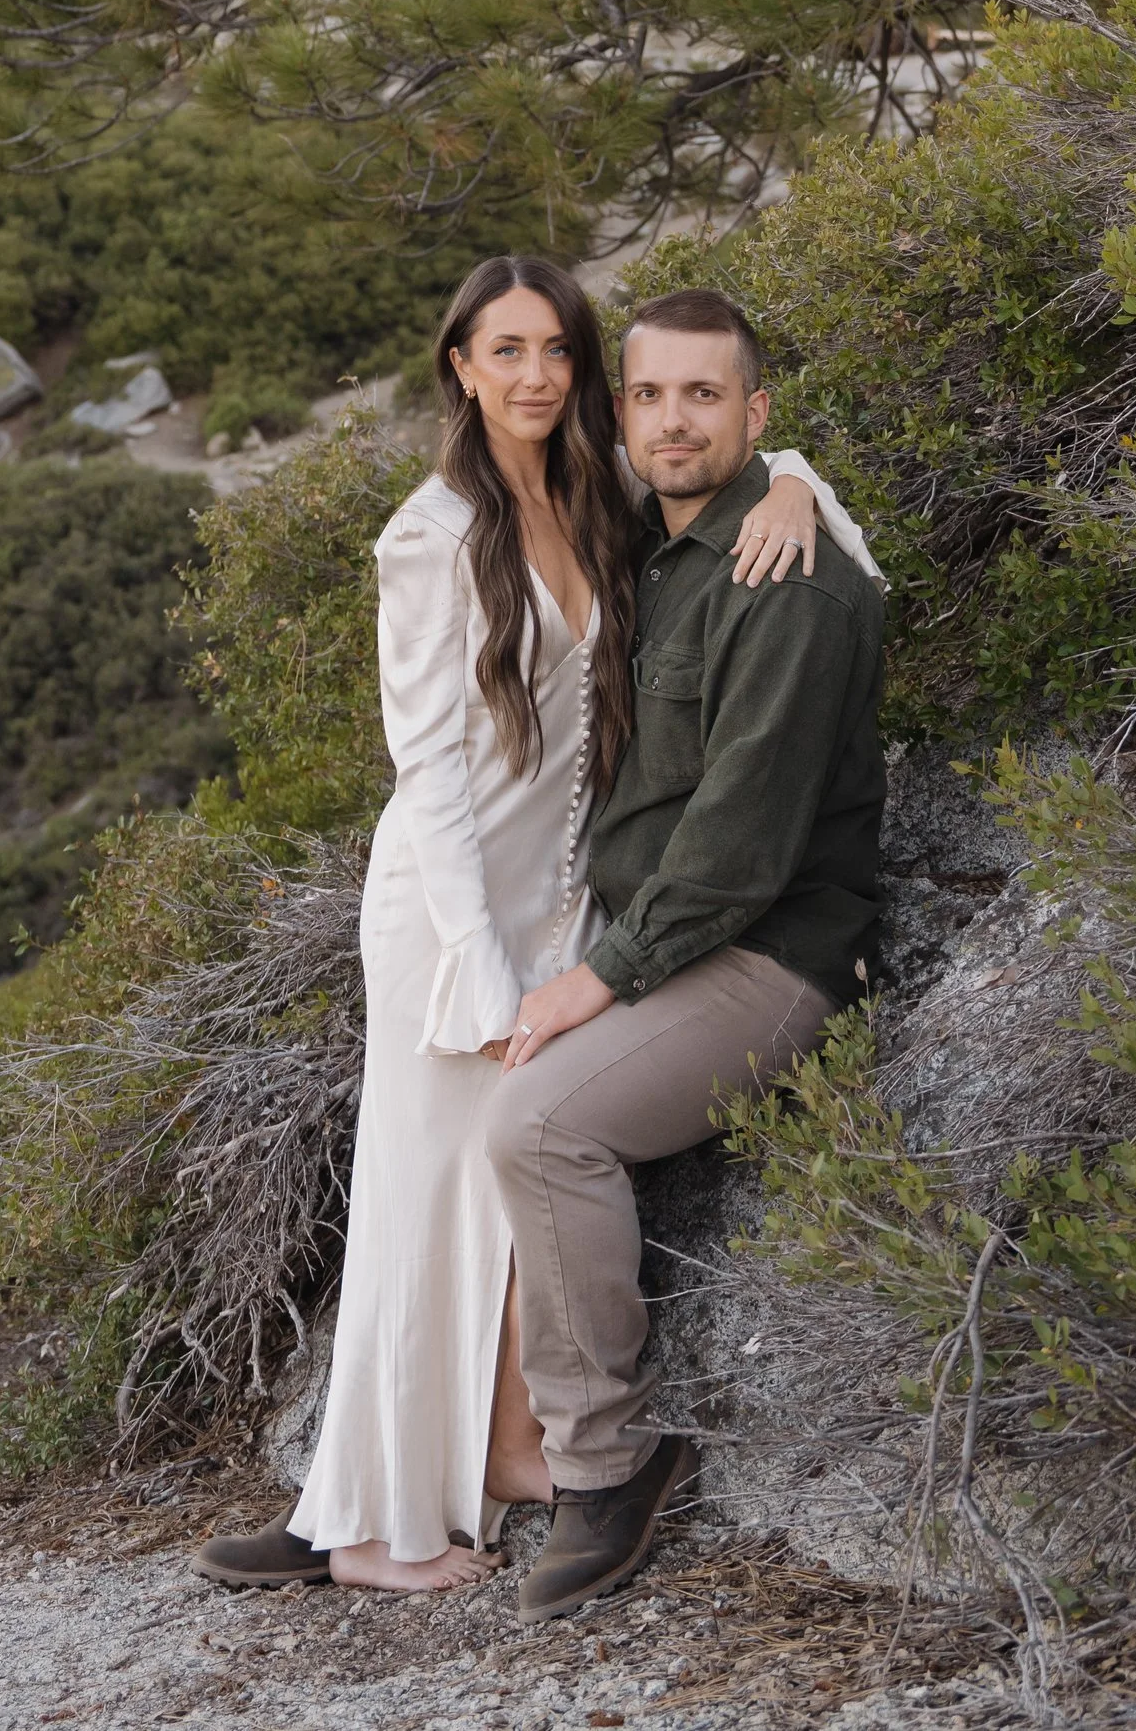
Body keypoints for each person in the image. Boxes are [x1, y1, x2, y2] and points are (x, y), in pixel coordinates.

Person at [190, 253, 871, 1596]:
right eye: (505, 350)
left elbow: (744, 468)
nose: (535, 375)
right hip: (455, 911)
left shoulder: (600, 491)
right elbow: (430, 780)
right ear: (460, 364)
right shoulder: (430, 533)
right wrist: (502, 974)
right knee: (415, 1195)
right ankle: (360, 1509)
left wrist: (797, 478)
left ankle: (511, 1454)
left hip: (567, 900)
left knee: (501, 1193)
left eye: (557, 349)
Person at [485, 282, 887, 1622]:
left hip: (765, 956)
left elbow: (737, 846)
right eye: (649, 393)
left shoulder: (788, 581)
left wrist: (601, 974)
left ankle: (613, 1462)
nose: (673, 418)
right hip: (659, 935)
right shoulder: (656, 536)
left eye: (705, 395)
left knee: (539, 1125)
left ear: (754, 411)